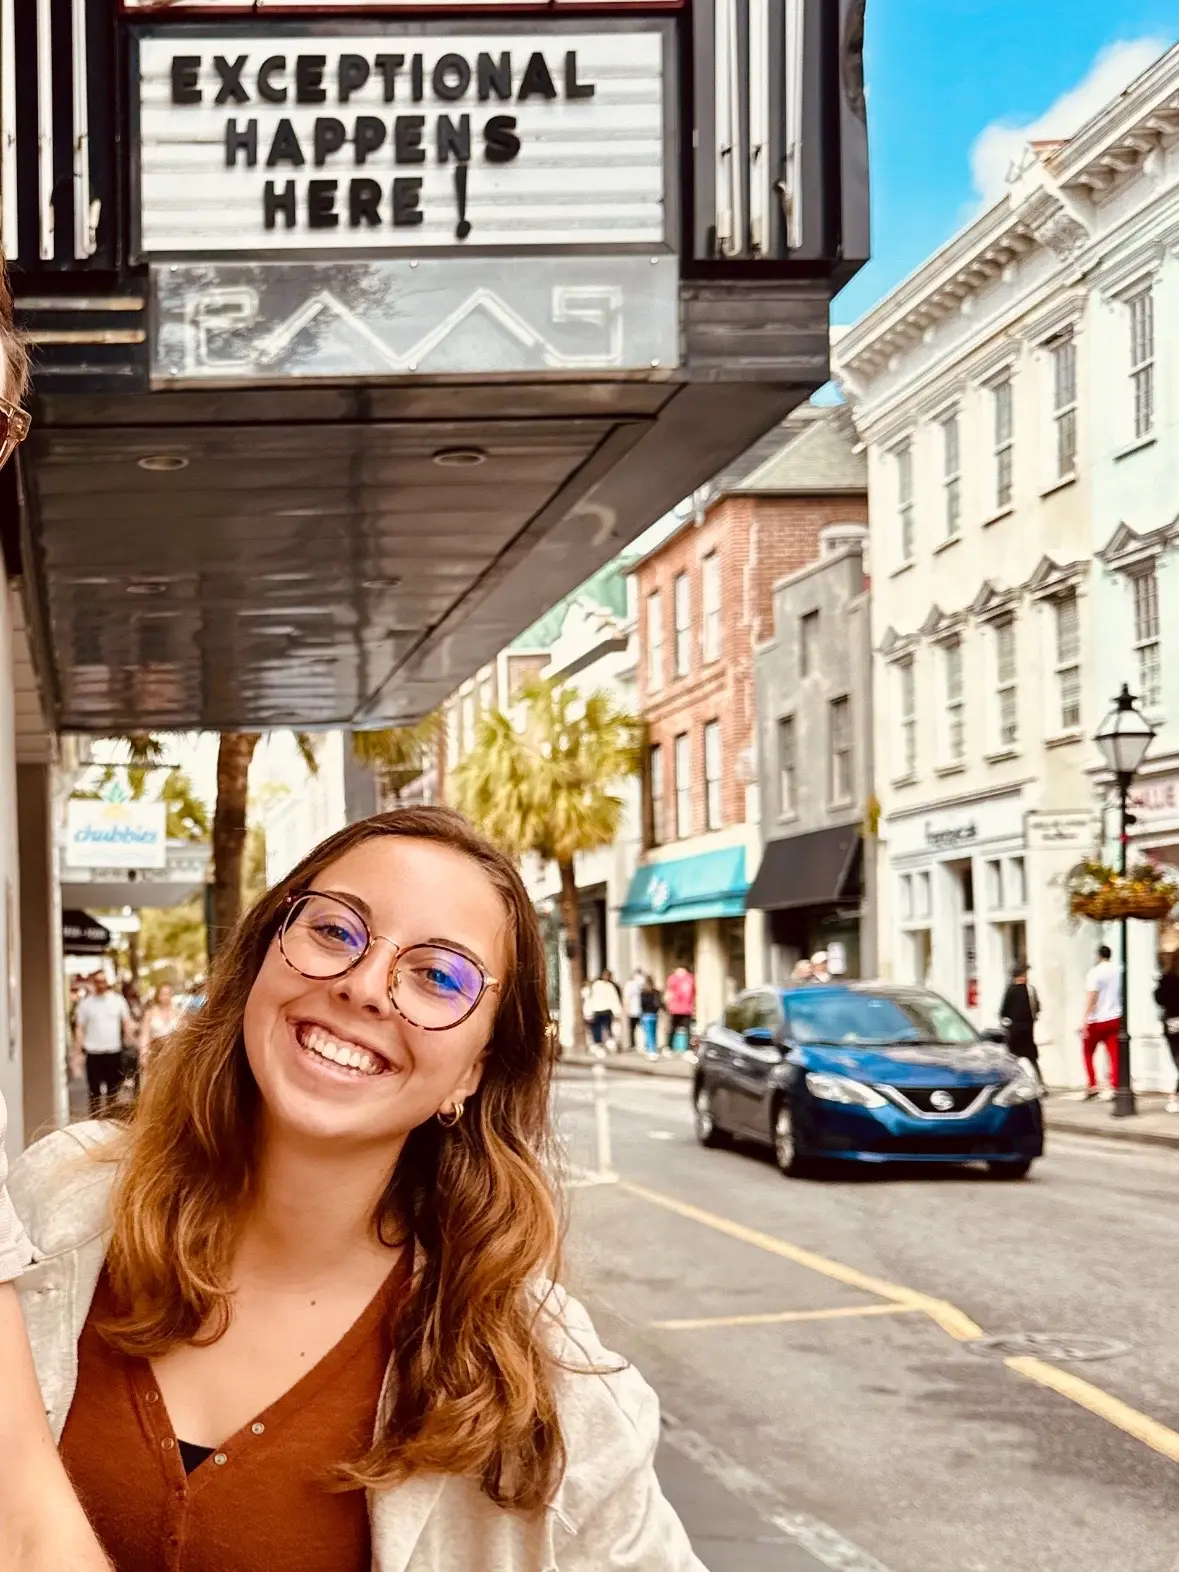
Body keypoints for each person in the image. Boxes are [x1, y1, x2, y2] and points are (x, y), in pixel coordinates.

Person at [8, 807, 703, 1570]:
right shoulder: (59, 1200)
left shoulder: (547, 1384)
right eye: (335, 932)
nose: (366, 987)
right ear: (261, 961)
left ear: (474, 1070)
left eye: (439, 976)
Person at [72, 970, 133, 1116]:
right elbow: (80, 1028)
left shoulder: (118, 1001)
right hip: (94, 1053)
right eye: (97, 982)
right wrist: (78, 1053)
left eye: (103, 981)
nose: (101, 985)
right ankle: (95, 1119)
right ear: (93, 983)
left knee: (114, 1089)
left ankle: (110, 1117)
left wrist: (131, 1040)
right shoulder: (86, 1004)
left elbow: (126, 1023)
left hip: (113, 1051)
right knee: (94, 1092)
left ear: (107, 982)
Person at [1081, 943, 1122, 1101]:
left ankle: (1092, 1084)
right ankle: (1115, 1084)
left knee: (1087, 1052)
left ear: (1098, 956)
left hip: (1097, 1019)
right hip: (1114, 1016)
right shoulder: (1117, 970)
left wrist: (1085, 1019)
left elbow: (1092, 996)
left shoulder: (1094, 972)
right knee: (1114, 1053)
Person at [999, 962, 1042, 1084]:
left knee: (1013, 1057)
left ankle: (1013, 1082)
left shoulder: (1011, 990)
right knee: (1031, 1058)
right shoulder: (1030, 990)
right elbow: (1037, 1008)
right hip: (1027, 1029)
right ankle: (1038, 1083)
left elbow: (1003, 1012)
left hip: (1015, 1029)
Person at [138, 981, 183, 1078]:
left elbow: (183, 1033)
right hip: (156, 1053)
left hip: (174, 1053)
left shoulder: (178, 1012)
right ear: (157, 996)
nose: (165, 997)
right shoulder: (150, 1013)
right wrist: (143, 1054)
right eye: (162, 994)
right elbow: (145, 1035)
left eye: (168, 994)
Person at [1153, 953, 1179, 1115]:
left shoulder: (1167, 979)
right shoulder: (1169, 980)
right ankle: (1174, 1096)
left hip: (1172, 1024)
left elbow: (1159, 999)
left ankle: (1174, 1096)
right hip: (1173, 1025)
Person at [587, 968, 623, 1050]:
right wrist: (589, 1010)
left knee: (608, 1026)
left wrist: (617, 1012)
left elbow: (614, 999)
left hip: (607, 1010)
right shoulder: (596, 985)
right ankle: (598, 1043)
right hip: (597, 1009)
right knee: (597, 1027)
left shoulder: (611, 986)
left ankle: (609, 1043)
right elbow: (592, 998)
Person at [664, 964, 696, 1054]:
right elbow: (694, 994)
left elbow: (669, 993)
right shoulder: (690, 978)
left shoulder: (672, 978)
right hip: (686, 1009)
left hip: (675, 1008)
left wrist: (668, 1006)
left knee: (672, 1029)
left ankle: (669, 1047)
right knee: (687, 1030)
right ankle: (688, 1049)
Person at [639, 974, 663, 1059]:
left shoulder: (643, 992)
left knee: (648, 1033)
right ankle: (652, 1049)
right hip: (654, 1015)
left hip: (645, 1015)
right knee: (653, 1033)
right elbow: (659, 1004)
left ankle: (650, 1050)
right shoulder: (656, 992)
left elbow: (641, 1005)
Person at [623, 967, 644, 1051]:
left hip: (633, 1009)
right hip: (641, 1009)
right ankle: (640, 1045)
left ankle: (633, 1044)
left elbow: (626, 997)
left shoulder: (630, 984)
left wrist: (625, 1008)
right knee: (640, 1028)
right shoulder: (643, 983)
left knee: (632, 1028)